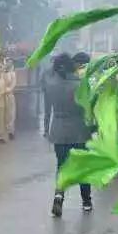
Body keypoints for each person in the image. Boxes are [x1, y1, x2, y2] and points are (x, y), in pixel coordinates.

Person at [46, 54, 93, 217]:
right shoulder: (80, 85)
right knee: (83, 166)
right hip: (79, 130)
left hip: (58, 130)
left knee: (61, 166)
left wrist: (46, 130)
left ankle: (59, 195)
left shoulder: (50, 84)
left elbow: (47, 110)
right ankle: (86, 201)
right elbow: (88, 107)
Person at [3, 59, 18, 140]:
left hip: (9, 95)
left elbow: (13, 85)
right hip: (1, 96)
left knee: (11, 114)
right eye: (7, 62)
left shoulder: (13, 74)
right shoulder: (2, 72)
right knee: (3, 115)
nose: (8, 64)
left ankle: (11, 131)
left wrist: (6, 90)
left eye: (10, 62)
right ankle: (1, 133)